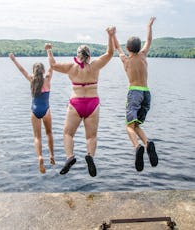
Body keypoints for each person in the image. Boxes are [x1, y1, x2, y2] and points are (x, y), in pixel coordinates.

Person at [45, 27, 116, 177]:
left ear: (77, 55)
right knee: (91, 136)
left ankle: (70, 157)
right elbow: (110, 53)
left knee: (68, 133)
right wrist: (110, 35)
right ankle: (89, 156)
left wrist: (49, 50)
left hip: (76, 104)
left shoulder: (71, 67)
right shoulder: (95, 66)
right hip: (92, 104)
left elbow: (53, 65)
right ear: (89, 56)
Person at [113, 17, 158, 172]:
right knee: (136, 124)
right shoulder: (144, 54)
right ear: (139, 47)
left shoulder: (126, 60)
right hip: (147, 94)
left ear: (128, 48)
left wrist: (112, 35)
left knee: (129, 127)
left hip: (135, 93)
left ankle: (137, 147)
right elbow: (149, 40)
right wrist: (149, 26)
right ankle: (147, 143)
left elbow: (117, 48)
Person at [9, 53, 55, 174]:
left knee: (37, 137)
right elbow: (52, 65)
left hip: (35, 111)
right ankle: (51, 155)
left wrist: (14, 60)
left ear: (34, 71)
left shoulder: (31, 80)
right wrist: (49, 51)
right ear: (43, 71)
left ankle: (40, 157)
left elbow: (22, 70)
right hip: (46, 110)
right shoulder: (48, 79)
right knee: (49, 133)